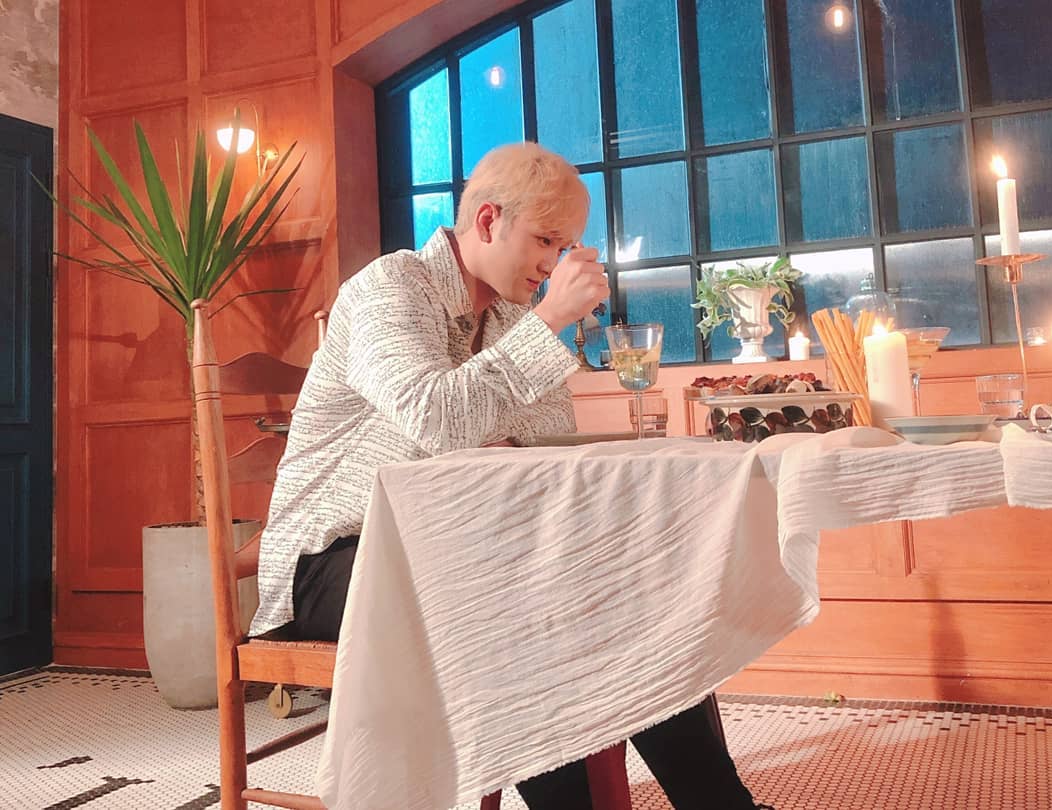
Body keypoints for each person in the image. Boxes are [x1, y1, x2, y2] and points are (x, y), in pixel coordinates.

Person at [247, 141, 772, 810]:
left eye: (566, 246)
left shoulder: (510, 320)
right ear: (489, 220)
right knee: (517, 607)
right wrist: (550, 322)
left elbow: (545, 445)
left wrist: (522, 370)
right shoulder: (391, 286)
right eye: (546, 240)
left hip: (450, 547)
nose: (554, 263)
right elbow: (437, 417)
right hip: (333, 557)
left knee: (632, 586)